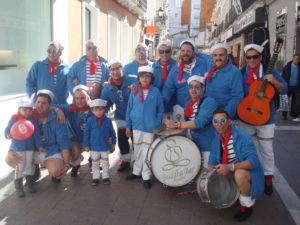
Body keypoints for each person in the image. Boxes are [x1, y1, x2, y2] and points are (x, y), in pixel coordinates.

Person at [238, 44, 287, 195]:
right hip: (246, 117)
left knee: (267, 151)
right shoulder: (241, 72)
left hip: (266, 117)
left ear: (260, 57)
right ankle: (253, 175)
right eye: (249, 57)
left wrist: (274, 81)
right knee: (250, 149)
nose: (252, 60)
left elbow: (284, 88)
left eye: (255, 57)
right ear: (245, 58)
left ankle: (267, 179)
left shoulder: (270, 71)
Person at [208, 109, 264, 221]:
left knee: (239, 175)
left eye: (222, 120)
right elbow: (211, 162)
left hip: (245, 171)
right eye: (215, 121)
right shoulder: (216, 138)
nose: (219, 124)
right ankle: (234, 193)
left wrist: (230, 167)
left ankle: (246, 206)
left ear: (229, 122)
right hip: (228, 170)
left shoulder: (242, 136)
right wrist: (207, 174)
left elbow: (253, 162)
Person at [164, 75, 217, 169]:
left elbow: (199, 122)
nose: (193, 90)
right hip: (192, 142)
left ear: (203, 88)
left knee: (204, 174)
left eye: (197, 87)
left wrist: (176, 124)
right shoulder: (188, 101)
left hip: (206, 143)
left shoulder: (209, 101)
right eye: (191, 87)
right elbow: (187, 121)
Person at [125, 66, 164, 189]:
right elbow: (129, 109)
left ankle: (146, 176)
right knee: (137, 149)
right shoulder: (134, 91)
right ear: (138, 78)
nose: (144, 78)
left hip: (149, 127)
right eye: (142, 76)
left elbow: (160, 110)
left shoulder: (156, 92)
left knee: (147, 151)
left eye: (147, 76)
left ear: (151, 78)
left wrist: (156, 124)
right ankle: (136, 171)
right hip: (136, 126)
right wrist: (128, 126)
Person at [101, 58, 136, 171]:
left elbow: (145, 87)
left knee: (136, 139)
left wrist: (137, 87)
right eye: (112, 69)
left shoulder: (133, 80)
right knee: (122, 139)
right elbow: (104, 105)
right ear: (109, 71)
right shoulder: (107, 88)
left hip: (136, 116)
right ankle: (125, 160)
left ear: (122, 69)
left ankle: (138, 161)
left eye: (117, 68)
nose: (115, 71)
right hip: (121, 116)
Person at [162, 40, 211, 121]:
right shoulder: (175, 70)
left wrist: (198, 53)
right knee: (180, 133)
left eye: (188, 51)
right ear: (180, 52)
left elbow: (211, 58)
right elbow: (168, 89)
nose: (185, 53)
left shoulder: (203, 64)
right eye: (183, 51)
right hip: (181, 109)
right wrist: (162, 101)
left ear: (193, 52)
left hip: (200, 107)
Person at [4, 97, 42, 197]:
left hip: (29, 147)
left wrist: (39, 146)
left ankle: (30, 184)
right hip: (18, 148)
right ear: (19, 109)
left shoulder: (32, 120)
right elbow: (7, 130)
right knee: (19, 167)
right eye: (24, 110)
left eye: (29, 110)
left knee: (29, 166)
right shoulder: (14, 119)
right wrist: (8, 135)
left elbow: (36, 134)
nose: (27, 112)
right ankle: (19, 187)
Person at [33, 90, 71, 183]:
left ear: (50, 105)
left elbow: (64, 142)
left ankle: (51, 167)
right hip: (33, 149)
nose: (40, 105)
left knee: (56, 172)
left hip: (50, 150)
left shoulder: (57, 118)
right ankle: (33, 169)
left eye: (44, 103)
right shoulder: (29, 115)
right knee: (12, 158)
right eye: (38, 102)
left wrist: (66, 165)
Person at [53, 84, 92, 177]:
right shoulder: (69, 108)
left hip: (90, 139)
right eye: (77, 98)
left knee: (106, 145)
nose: (79, 101)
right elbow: (51, 105)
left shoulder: (94, 108)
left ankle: (94, 159)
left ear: (87, 97)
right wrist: (58, 110)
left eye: (82, 98)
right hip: (75, 139)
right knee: (74, 150)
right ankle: (76, 165)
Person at [204, 43, 244, 119]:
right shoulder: (211, 67)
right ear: (212, 57)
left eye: (221, 55)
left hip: (223, 116)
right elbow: (202, 55)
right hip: (209, 113)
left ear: (227, 56)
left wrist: (225, 114)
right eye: (215, 55)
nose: (218, 58)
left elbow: (237, 97)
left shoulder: (234, 73)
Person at [83, 99, 116, 186]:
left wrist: (113, 143)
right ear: (92, 111)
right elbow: (86, 133)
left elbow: (112, 133)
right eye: (96, 110)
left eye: (101, 109)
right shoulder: (90, 120)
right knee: (95, 163)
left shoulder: (108, 120)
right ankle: (95, 177)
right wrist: (86, 144)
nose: (98, 112)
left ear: (104, 110)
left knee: (105, 163)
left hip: (105, 146)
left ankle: (106, 176)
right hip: (94, 147)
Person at [152, 40, 177, 114]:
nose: (164, 54)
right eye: (161, 52)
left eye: (167, 51)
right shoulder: (152, 68)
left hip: (174, 106)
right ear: (158, 53)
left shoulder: (178, 66)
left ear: (171, 52)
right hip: (157, 106)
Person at [281, 53, 300, 121]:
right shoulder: (287, 67)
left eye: (298, 59)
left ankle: (293, 113)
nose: (297, 60)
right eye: (296, 58)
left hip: (296, 87)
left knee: (295, 102)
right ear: (293, 58)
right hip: (287, 86)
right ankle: (284, 115)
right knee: (285, 100)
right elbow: (282, 77)